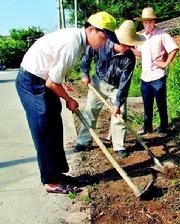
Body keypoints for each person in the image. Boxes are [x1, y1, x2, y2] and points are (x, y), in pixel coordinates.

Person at [15, 12, 118, 194]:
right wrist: (69, 100)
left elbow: (55, 76)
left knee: (54, 127)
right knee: (44, 131)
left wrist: (65, 93)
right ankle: (50, 182)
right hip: (32, 82)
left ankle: (58, 174)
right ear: (91, 29)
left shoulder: (79, 43)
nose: (104, 42)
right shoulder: (72, 43)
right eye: (103, 37)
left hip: (43, 80)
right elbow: (52, 82)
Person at [74, 20, 145, 157]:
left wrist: (118, 104)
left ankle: (118, 145)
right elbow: (87, 55)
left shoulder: (129, 59)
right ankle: (84, 141)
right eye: (125, 44)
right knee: (90, 111)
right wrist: (84, 73)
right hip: (98, 82)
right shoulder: (102, 43)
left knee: (120, 114)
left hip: (116, 87)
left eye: (130, 45)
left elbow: (125, 82)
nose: (127, 48)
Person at [133, 7, 179, 137]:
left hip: (158, 76)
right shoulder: (141, 37)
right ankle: (147, 128)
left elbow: (174, 49)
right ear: (143, 22)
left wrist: (165, 63)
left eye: (150, 22)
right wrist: (131, 47)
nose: (147, 24)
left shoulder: (162, 34)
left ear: (154, 21)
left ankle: (163, 128)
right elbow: (139, 54)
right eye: (145, 22)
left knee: (160, 103)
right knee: (147, 104)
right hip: (145, 76)